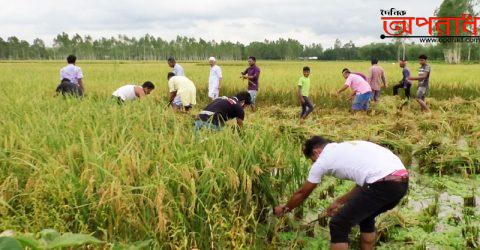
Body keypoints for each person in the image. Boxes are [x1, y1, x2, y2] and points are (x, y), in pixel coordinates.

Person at [274, 136, 409, 250]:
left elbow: (303, 193)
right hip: (401, 182)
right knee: (366, 217)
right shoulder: (345, 148)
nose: (314, 163)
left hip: (382, 184)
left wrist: (285, 209)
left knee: (338, 224)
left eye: (312, 160)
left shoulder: (322, 160)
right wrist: (339, 201)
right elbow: (365, 184)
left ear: (316, 152)